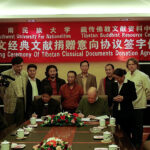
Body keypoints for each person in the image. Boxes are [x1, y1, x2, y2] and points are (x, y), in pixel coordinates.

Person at [126, 58, 150, 149]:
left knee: (138, 127)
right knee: (130, 126)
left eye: (133, 64)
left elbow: (148, 89)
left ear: (136, 65)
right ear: (127, 66)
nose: (131, 66)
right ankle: (131, 142)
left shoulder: (143, 76)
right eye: (129, 64)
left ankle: (138, 144)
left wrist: (144, 98)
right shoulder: (127, 75)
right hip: (129, 106)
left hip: (139, 105)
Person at [112, 68, 137, 141]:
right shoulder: (114, 84)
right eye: (115, 78)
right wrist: (114, 98)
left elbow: (134, 96)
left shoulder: (130, 84)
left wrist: (124, 98)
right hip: (116, 112)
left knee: (126, 132)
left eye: (118, 78)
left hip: (127, 112)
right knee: (115, 131)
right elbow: (110, 95)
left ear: (123, 76)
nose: (116, 79)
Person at [2, 56, 28, 126]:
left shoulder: (24, 74)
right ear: (13, 65)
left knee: (20, 123)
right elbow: (1, 91)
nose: (20, 68)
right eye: (17, 66)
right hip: (9, 102)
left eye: (21, 66)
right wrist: (5, 99)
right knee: (9, 124)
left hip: (21, 101)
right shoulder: (5, 74)